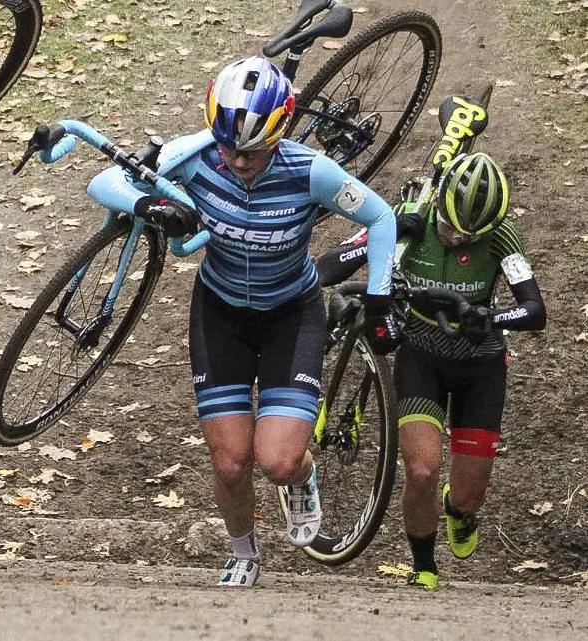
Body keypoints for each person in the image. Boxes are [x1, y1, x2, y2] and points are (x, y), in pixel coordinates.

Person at [86, 56, 400, 587]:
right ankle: (244, 553)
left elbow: (381, 217)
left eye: (250, 151)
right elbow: (103, 181)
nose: (235, 159)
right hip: (220, 314)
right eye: (227, 145)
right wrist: (151, 206)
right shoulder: (197, 154)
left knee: (276, 461)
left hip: (291, 317)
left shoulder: (311, 171)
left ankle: (302, 477)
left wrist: (379, 296)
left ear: (277, 136)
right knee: (231, 460)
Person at [317, 151, 546, 589]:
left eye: (468, 235)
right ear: (438, 200)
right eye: (448, 227)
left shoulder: (501, 237)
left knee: (466, 495)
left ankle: (459, 512)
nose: (456, 238)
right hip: (422, 354)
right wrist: (384, 232)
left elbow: (535, 310)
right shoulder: (409, 216)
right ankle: (424, 566)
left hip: (481, 366)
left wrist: (492, 318)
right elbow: (328, 269)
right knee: (421, 471)